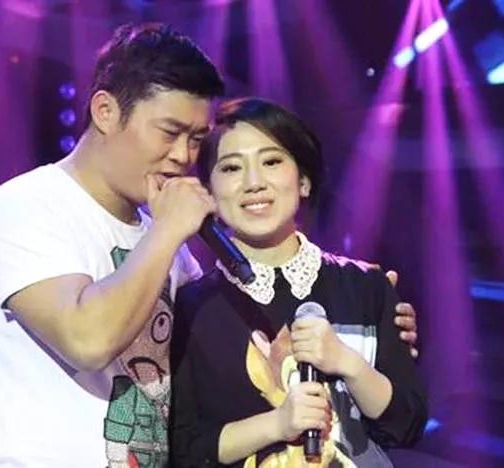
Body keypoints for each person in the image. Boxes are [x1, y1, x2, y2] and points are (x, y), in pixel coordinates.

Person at [0, 22, 418, 468]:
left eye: (196, 139)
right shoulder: (29, 206)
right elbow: (87, 340)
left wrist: (375, 323)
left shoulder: (164, 239)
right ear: (105, 111)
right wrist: (167, 230)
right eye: (169, 132)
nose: (182, 156)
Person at [170, 97, 428, 467]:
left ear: (303, 181)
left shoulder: (366, 286)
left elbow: (407, 425)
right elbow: (183, 449)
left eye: (271, 162)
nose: (254, 183)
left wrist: (347, 362)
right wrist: (277, 424)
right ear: (209, 192)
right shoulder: (191, 308)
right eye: (231, 168)